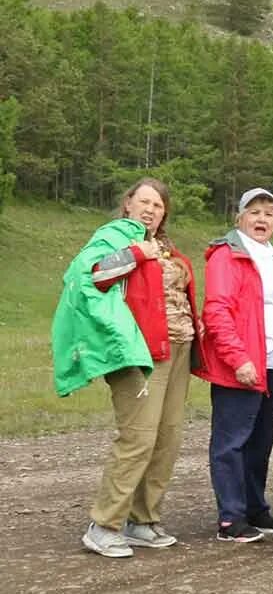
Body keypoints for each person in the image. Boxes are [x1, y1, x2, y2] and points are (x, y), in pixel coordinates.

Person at [57, 178, 200, 558]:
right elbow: (97, 274)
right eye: (145, 202)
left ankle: (143, 520)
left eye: (159, 204)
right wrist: (138, 252)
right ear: (128, 204)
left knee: (167, 438)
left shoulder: (165, 247)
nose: (151, 209)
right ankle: (103, 525)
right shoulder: (115, 238)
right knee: (137, 437)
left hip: (178, 348)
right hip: (141, 355)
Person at [195, 188, 273, 543]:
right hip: (241, 365)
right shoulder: (228, 255)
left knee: (260, 442)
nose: (262, 219)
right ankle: (231, 518)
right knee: (231, 442)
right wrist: (238, 358)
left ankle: (256, 509)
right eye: (254, 212)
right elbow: (217, 311)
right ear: (239, 217)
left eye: (269, 213)